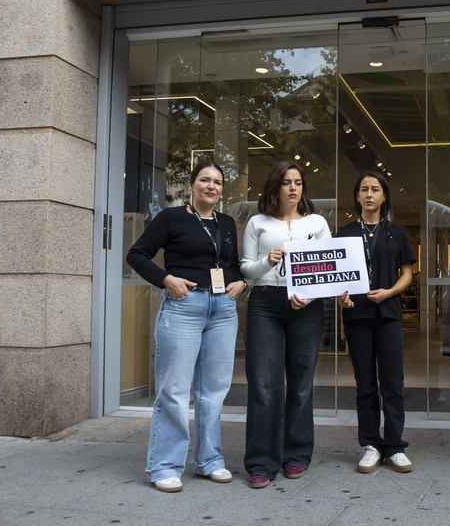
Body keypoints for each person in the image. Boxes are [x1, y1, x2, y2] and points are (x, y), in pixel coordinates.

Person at [126, 161, 246, 493]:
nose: (212, 186)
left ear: (222, 190)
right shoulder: (171, 217)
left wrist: (240, 283)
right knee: (174, 391)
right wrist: (166, 279)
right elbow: (137, 255)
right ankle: (164, 465)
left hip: (222, 309)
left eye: (218, 182)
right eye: (205, 180)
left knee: (213, 393)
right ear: (192, 185)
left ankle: (209, 460)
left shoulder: (225, 223)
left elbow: (230, 265)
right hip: (184, 307)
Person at [240, 160, 331, 488]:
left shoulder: (318, 222)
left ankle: (296, 454)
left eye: (298, 182)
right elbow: (246, 269)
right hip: (266, 303)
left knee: (301, 382)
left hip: (306, 307)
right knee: (264, 383)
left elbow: (326, 269)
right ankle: (261, 461)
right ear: (275, 187)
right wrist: (268, 261)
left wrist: (307, 293)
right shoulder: (257, 222)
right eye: (286, 182)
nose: (293, 188)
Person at [335, 171, 417, 473]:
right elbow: (338, 277)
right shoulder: (343, 233)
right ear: (357, 196)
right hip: (356, 315)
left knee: (393, 382)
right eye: (364, 190)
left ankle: (394, 446)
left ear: (384, 196)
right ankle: (370, 444)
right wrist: (340, 296)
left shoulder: (397, 233)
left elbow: (407, 273)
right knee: (365, 383)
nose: (369, 194)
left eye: (375, 189)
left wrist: (390, 292)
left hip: (390, 316)